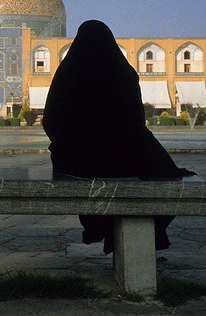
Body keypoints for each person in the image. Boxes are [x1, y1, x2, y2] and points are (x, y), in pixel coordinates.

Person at [42, 20, 195, 254]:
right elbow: (135, 122)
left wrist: (74, 142)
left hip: (75, 163)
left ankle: (101, 226)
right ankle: (140, 236)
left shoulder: (66, 75)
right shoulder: (123, 75)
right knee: (164, 174)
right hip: (123, 159)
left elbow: (51, 122)